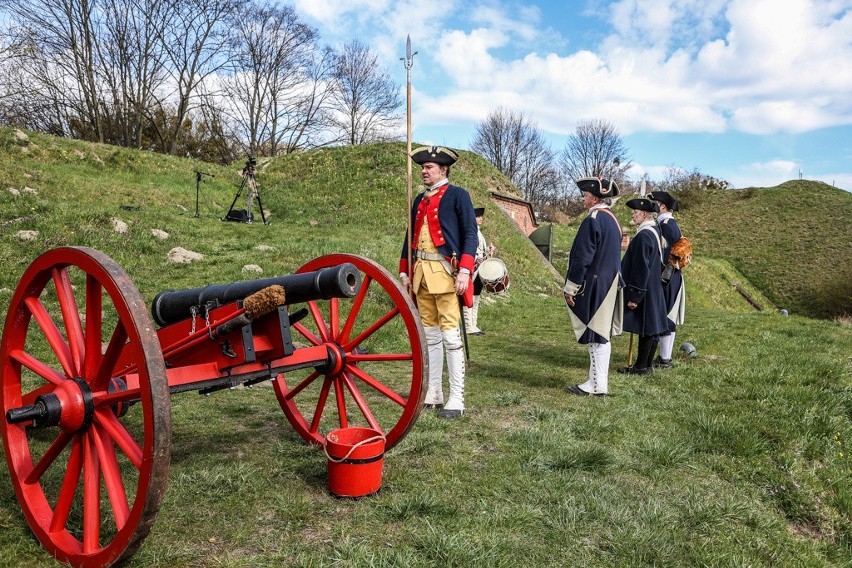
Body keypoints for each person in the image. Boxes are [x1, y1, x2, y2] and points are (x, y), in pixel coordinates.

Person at [399, 146, 478, 419]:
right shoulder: (419, 199)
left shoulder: (458, 196)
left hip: (446, 275)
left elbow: (470, 234)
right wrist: (404, 270)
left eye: (429, 167)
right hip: (421, 273)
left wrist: (466, 271)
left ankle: (456, 397)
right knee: (430, 336)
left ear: (443, 170)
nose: (423, 171)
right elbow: (409, 235)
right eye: (422, 167)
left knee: (450, 336)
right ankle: (434, 392)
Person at [563, 177, 623, 397]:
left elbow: (581, 258)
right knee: (599, 333)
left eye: (586, 196)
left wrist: (571, 287)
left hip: (595, 283)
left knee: (597, 334)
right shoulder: (613, 220)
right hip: (609, 281)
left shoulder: (594, 219)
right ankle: (595, 382)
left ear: (595, 197)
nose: (583, 199)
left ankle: (597, 386)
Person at [617, 198, 668, 375]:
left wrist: (635, 296)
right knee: (652, 326)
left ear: (644, 214)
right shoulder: (654, 231)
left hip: (644, 287)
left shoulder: (644, 235)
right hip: (653, 286)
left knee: (648, 327)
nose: (632, 214)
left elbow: (640, 267)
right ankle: (645, 366)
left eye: (636, 212)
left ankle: (641, 367)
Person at [648, 190, 685, 368]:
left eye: (655, 204)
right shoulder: (669, 223)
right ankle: (665, 357)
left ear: (662, 206)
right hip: (671, 275)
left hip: (667, 275)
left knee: (666, 315)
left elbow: (666, 253)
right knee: (667, 315)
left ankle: (664, 358)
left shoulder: (666, 225)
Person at [463, 206, 494, 336]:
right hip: (472, 267)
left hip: (479, 267)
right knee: (469, 296)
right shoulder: (471, 232)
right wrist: (476, 259)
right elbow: (469, 248)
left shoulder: (478, 232)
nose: (481, 219)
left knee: (476, 296)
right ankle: (468, 326)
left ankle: (474, 325)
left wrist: (488, 250)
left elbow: (480, 249)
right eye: (478, 217)